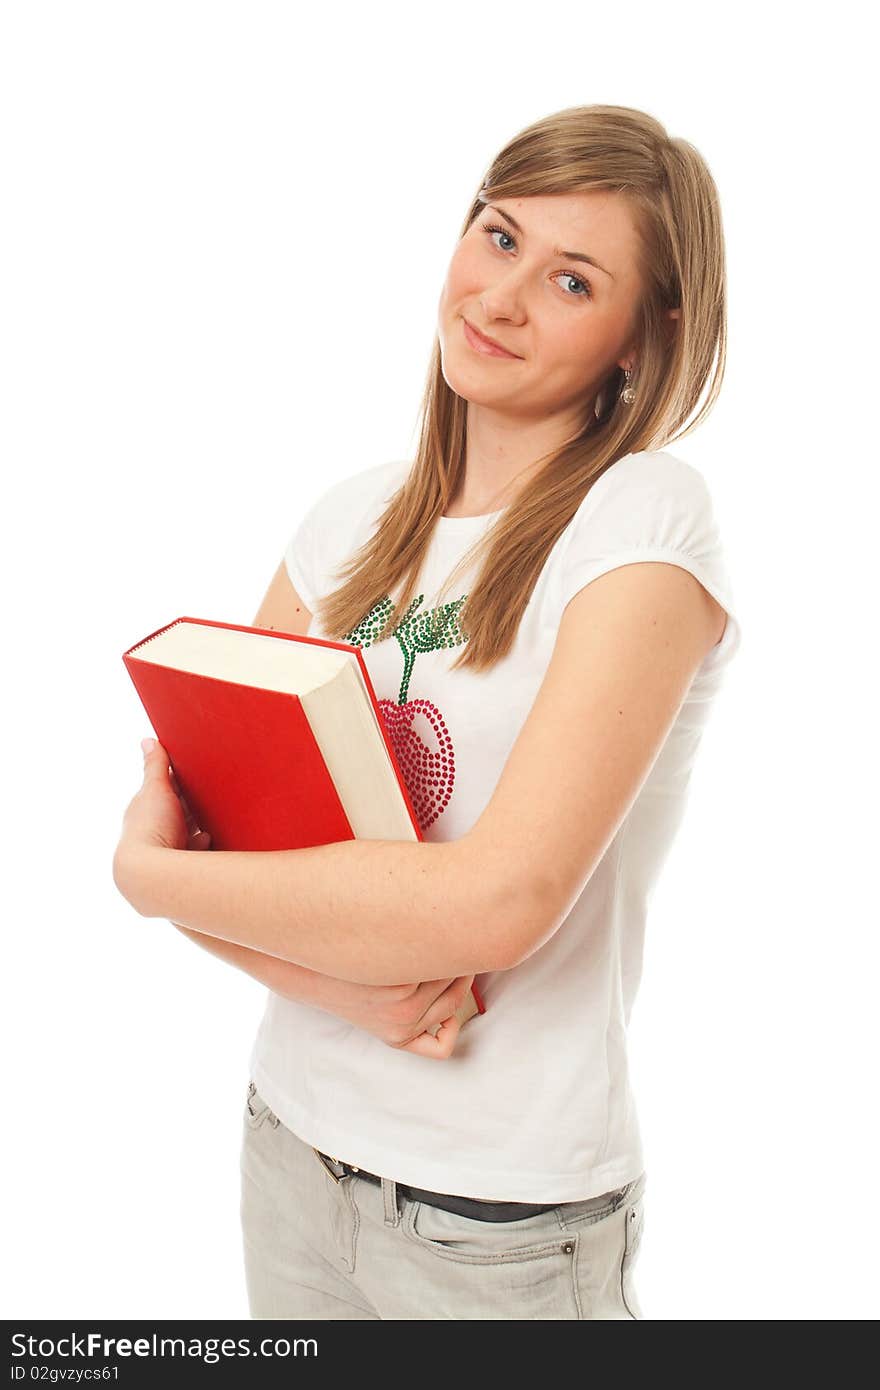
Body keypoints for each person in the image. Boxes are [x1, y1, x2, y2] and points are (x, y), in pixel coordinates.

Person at [112, 103, 742, 1320]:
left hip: (495, 1221)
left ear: (642, 337)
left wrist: (144, 882)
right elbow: (219, 838)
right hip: (291, 1150)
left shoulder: (641, 523)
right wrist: (355, 986)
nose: (500, 299)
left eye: (569, 279)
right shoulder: (346, 520)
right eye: (497, 238)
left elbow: (497, 902)